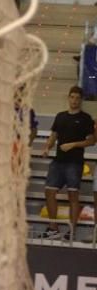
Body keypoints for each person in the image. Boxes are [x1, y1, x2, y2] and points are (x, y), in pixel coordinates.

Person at [43, 86, 95, 240]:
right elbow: (53, 135)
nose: (74, 100)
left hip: (75, 162)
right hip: (58, 161)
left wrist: (73, 144)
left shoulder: (86, 118)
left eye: (77, 98)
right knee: (49, 191)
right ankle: (53, 228)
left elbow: (91, 141)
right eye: (72, 97)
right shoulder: (60, 116)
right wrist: (47, 147)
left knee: (73, 195)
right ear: (68, 98)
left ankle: (71, 231)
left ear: (81, 100)